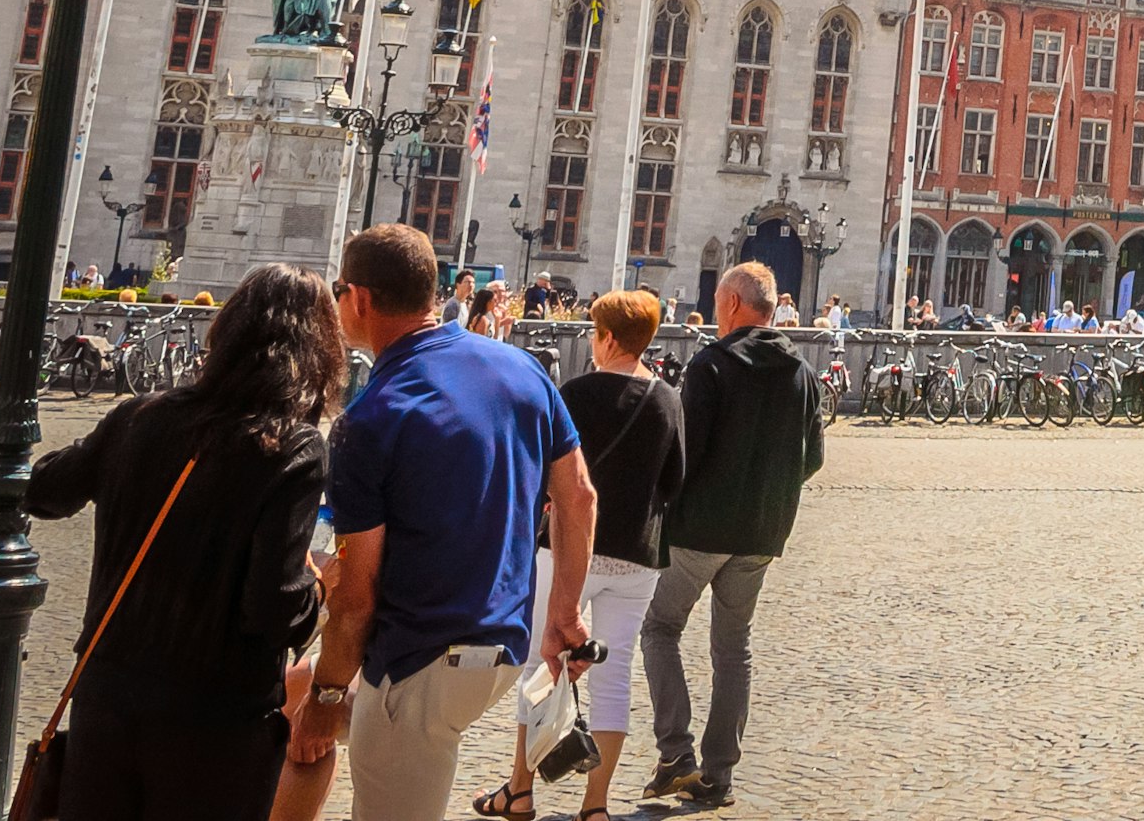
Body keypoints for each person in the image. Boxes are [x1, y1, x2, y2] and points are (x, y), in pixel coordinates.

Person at [292, 224, 595, 821]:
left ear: (360, 298)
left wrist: (327, 696)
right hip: (502, 645)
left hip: (422, 653)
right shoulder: (522, 369)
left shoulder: (373, 417)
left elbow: (356, 597)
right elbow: (579, 495)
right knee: (301, 696)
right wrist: (563, 612)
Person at [20, 263, 342, 821]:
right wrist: (319, 586)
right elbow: (273, 607)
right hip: (215, 715)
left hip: (108, 693)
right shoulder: (292, 447)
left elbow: (45, 490)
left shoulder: (138, 417)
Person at [476, 291, 685, 821]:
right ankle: (596, 806)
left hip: (570, 546)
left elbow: (543, 469)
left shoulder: (574, 393)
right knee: (614, 678)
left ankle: (520, 790)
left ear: (607, 337)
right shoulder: (667, 399)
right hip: (637, 555)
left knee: (542, 664)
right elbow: (675, 481)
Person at [639, 261, 826, 812]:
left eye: (721, 300)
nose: (718, 309)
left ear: (735, 305)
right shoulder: (803, 372)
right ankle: (719, 773)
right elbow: (812, 457)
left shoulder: (712, 365)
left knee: (660, 628)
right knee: (733, 650)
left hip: (701, 528)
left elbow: (684, 451)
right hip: (761, 532)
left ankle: (676, 752)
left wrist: (665, 502)